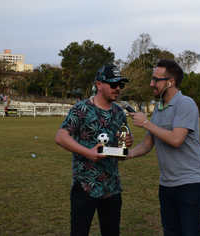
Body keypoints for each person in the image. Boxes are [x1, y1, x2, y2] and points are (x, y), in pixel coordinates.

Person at [126, 59, 200, 236]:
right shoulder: (158, 109)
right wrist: (127, 154)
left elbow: (177, 139)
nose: (151, 84)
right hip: (166, 185)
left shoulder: (185, 104)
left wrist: (146, 122)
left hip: (190, 184)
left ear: (170, 82)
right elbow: (147, 144)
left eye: (155, 80)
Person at [55, 65, 134, 236]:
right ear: (99, 84)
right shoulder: (81, 109)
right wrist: (88, 152)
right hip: (85, 185)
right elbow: (61, 136)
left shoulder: (119, 113)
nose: (118, 89)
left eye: (121, 85)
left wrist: (127, 142)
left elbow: (121, 147)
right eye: (114, 85)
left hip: (112, 187)